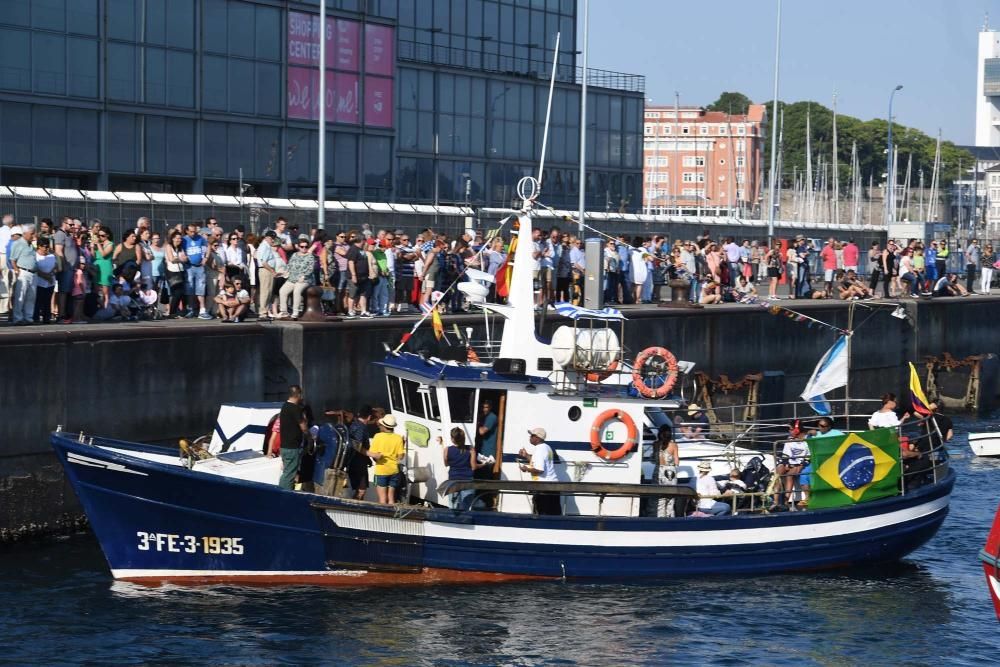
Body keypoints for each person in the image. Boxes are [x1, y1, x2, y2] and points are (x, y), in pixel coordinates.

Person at [518, 427, 560, 515]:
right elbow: (537, 462)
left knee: (542, 515)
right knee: (554, 516)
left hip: (544, 488)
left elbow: (540, 470)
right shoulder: (547, 447)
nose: (530, 437)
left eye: (532, 435)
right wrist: (526, 455)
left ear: (537, 438)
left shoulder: (539, 449)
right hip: (553, 486)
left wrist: (526, 469)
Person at [368, 414, 405, 505]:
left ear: (384, 426)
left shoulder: (377, 436)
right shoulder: (398, 438)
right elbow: (400, 456)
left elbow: (373, 454)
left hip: (381, 471)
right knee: (391, 499)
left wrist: (377, 459)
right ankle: (393, 517)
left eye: (381, 425)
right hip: (394, 471)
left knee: (382, 500)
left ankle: (384, 518)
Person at [772, 423, 810, 510]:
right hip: (788, 462)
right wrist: (786, 464)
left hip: (799, 464)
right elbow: (786, 454)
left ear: (797, 430)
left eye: (791, 429)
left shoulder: (807, 441)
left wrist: (800, 466)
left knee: (789, 475)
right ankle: (775, 502)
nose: (789, 431)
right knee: (778, 473)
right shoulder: (790, 439)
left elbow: (808, 456)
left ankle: (785, 501)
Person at [278, 385, 308, 490]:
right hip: (292, 447)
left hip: (284, 446)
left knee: (287, 472)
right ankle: (283, 495)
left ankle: (285, 492)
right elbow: (303, 427)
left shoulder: (285, 406)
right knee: (289, 475)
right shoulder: (295, 409)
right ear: (298, 395)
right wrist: (310, 435)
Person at [180, 223, 211, 319]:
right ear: (187, 231)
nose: (193, 233)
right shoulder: (184, 240)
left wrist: (206, 257)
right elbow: (179, 248)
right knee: (190, 287)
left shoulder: (200, 238)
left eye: (195, 231)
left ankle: (202, 310)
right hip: (189, 266)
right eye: (191, 231)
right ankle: (190, 309)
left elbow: (208, 246)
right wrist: (183, 255)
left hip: (199, 266)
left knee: (201, 287)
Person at [443, 427, 479, 510]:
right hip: (467, 480)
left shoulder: (447, 450)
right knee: (466, 508)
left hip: (453, 481)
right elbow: (474, 467)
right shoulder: (470, 449)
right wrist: (484, 464)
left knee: (453, 508)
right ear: (464, 438)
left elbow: (446, 464)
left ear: (452, 439)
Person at [9, 225, 37, 325]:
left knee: (31, 297)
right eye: (32, 233)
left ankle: (28, 317)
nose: (33, 235)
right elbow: (12, 259)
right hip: (23, 271)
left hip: (33, 273)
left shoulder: (31, 244)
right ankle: (18, 318)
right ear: (25, 233)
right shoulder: (18, 243)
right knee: (20, 296)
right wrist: (17, 270)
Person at [655, 424, 679, 517]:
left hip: (659, 471)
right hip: (671, 472)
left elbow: (653, 459)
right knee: (671, 498)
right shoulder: (673, 445)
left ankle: (659, 517)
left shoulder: (656, 444)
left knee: (660, 498)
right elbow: (677, 461)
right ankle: (670, 517)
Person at [32, 238, 57, 324]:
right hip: (39, 282)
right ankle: (36, 318)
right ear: (39, 246)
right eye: (44, 246)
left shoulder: (52, 256)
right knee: (38, 301)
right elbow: (35, 268)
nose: (46, 249)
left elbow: (56, 267)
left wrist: (51, 274)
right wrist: (45, 276)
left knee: (47, 301)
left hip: (50, 282)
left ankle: (47, 318)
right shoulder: (35, 256)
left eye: (47, 246)